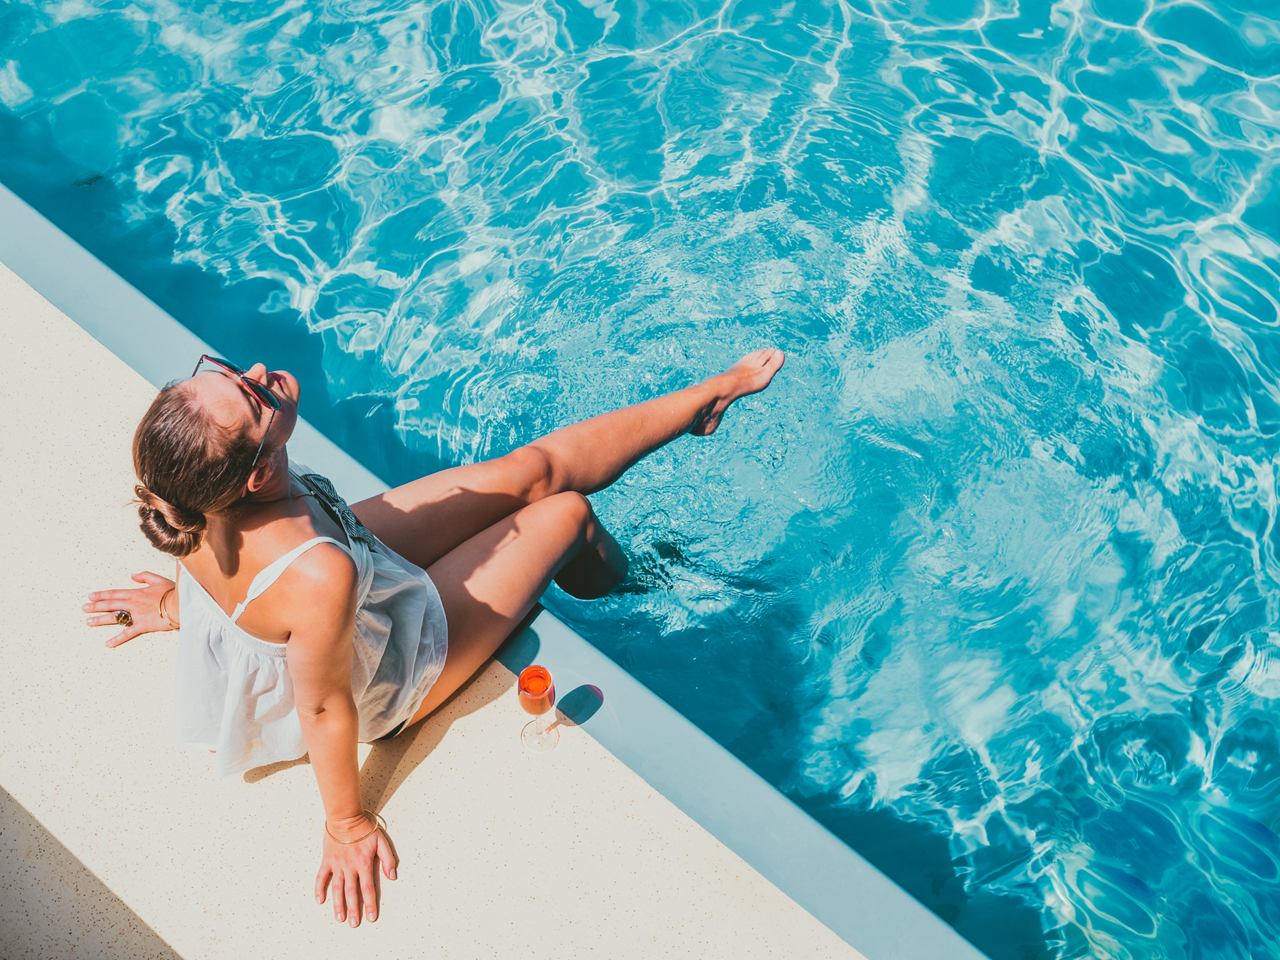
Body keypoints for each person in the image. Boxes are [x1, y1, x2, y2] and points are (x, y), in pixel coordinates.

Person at [82, 346, 785, 928]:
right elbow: (325, 708)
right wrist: (347, 824)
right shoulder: (314, 574)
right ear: (260, 469)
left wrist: (181, 605)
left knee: (530, 473)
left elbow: (227, 584)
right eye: (252, 394)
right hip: (395, 665)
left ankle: (706, 399)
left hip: (355, 563)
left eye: (230, 373)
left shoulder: (182, 488)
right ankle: (639, 595)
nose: (260, 372)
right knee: (567, 513)